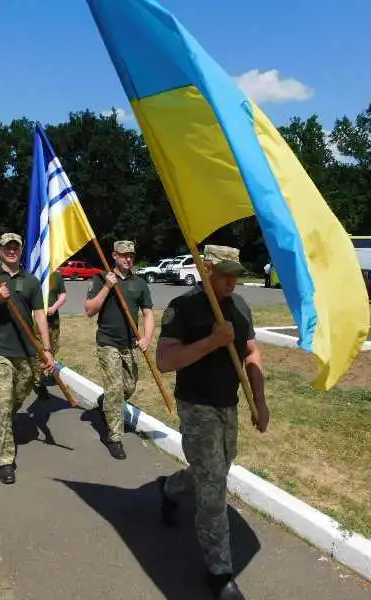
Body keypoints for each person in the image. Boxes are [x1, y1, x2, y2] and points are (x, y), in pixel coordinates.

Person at [155, 245, 269, 600]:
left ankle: (172, 489)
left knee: (216, 467)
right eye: (225, 274)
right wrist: (212, 341)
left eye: (236, 274)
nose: (232, 281)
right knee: (214, 483)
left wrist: (259, 401)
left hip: (228, 403)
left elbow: (251, 352)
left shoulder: (239, 306)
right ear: (206, 269)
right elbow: (164, 360)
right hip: (196, 404)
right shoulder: (184, 307)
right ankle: (220, 572)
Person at [0, 233, 56, 485]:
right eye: (7, 247)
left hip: (27, 352)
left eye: (16, 247)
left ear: (21, 250)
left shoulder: (31, 281)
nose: (12, 251)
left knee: (18, 396)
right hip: (0, 351)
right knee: (5, 402)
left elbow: (39, 315)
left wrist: (47, 349)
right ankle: (5, 460)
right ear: (0, 250)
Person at [84, 240, 154, 460]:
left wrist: (147, 338)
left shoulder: (139, 284)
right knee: (115, 388)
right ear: (114, 255)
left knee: (129, 385)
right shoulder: (100, 279)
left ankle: (108, 402)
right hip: (107, 343)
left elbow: (148, 313)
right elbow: (89, 310)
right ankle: (114, 437)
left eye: (131, 255)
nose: (128, 259)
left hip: (131, 344)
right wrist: (107, 286)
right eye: (123, 255)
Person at [35, 269, 67, 398]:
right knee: (40, 351)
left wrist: (54, 307)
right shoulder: (33, 271)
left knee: (53, 348)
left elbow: (63, 295)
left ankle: (48, 372)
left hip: (53, 321)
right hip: (36, 322)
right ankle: (39, 382)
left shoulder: (56, 275)